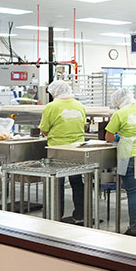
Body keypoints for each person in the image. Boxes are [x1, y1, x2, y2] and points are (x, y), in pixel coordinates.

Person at [105, 88, 136, 236]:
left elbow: (108, 137)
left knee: (133, 192)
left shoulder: (119, 114)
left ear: (118, 101)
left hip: (129, 156)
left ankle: (134, 228)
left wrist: (119, 137)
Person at [39, 80, 86, 224]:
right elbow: (83, 125)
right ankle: (80, 215)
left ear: (55, 92)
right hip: (77, 148)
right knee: (77, 182)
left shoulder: (51, 107)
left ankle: (56, 216)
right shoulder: (79, 105)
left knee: (57, 183)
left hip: (58, 149)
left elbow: (44, 130)